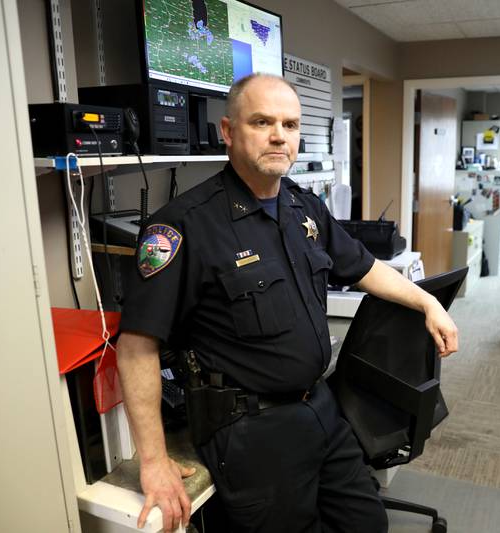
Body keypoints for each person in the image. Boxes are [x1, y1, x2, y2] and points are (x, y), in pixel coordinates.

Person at [117, 73, 459, 533]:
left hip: (320, 407)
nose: (280, 135)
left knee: (367, 523)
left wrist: (426, 303)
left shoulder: (303, 208)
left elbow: (363, 267)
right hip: (252, 432)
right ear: (228, 131)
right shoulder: (183, 227)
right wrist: (153, 460)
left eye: (291, 124)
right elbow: (136, 347)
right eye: (262, 122)